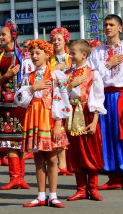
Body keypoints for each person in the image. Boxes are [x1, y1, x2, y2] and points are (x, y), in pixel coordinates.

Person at [16, 39, 71, 208]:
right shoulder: (28, 77)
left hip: (49, 117)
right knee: (38, 157)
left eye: (38, 53)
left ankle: (53, 195)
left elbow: (61, 98)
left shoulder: (55, 75)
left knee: (52, 158)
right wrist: (33, 88)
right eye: (32, 53)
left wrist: (57, 123)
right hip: (34, 116)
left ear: (47, 55)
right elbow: (20, 100)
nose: (34, 56)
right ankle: (41, 195)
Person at [88, 14, 123, 191]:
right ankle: (113, 177)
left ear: (120, 28)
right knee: (107, 136)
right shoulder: (97, 53)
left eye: (111, 24)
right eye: (106, 25)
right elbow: (91, 76)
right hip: (104, 97)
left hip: (121, 97)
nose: (108, 27)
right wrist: (108, 64)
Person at [0, 19, 29, 190]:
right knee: (9, 141)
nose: (0, 37)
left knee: (21, 141)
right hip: (3, 103)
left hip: (20, 104)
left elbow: (28, 78)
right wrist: (6, 76)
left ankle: (21, 177)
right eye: (0, 34)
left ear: (13, 35)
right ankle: (14, 176)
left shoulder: (24, 55)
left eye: (3, 34)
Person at [65, 40, 106, 201]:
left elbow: (98, 97)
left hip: (87, 114)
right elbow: (60, 95)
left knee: (90, 150)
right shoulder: (68, 74)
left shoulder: (92, 73)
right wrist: (70, 85)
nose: (71, 56)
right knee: (76, 152)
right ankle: (81, 188)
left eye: (74, 53)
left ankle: (93, 188)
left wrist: (95, 120)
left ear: (84, 54)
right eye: (71, 53)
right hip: (72, 114)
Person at [49, 27, 73, 176]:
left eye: (59, 39)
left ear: (65, 40)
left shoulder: (71, 58)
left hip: (70, 96)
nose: (56, 42)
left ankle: (69, 163)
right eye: (54, 39)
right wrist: (56, 68)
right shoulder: (48, 59)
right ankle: (61, 163)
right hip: (54, 98)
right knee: (57, 130)